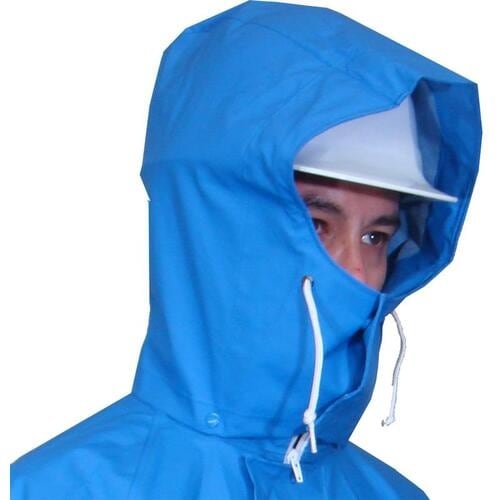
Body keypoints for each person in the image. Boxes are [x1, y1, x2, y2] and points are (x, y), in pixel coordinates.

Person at [10, 1, 481, 498]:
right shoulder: (51, 489)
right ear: (214, 228)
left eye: (375, 237)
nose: (357, 273)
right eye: (316, 225)